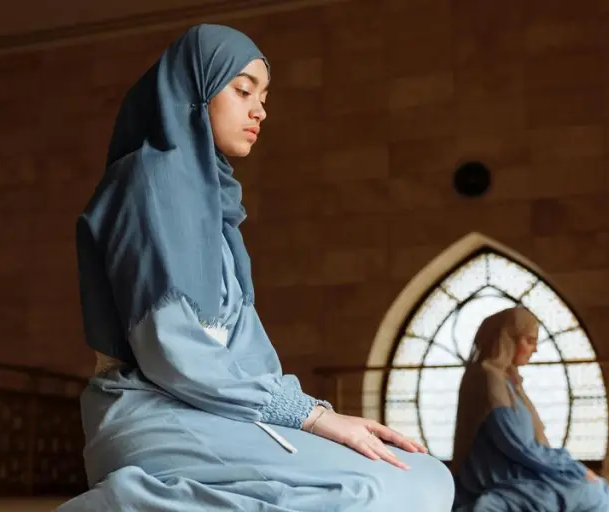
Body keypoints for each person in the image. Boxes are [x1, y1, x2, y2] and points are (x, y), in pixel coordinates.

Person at [57, 24, 454, 511]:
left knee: (428, 478)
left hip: (217, 412)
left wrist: (310, 414)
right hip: (152, 412)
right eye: (242, 90)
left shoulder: (215, 208)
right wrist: (312, 418)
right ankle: (127, 502)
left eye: (264, 95)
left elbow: (249, 351)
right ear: (196, 91)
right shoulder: (146, 180)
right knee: (377, 492)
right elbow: (169, 351)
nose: (260, 109)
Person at [449, 307, 609, 511]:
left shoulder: (507, 381)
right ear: (508, 339)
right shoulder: (488, 378)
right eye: (529, 341)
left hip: (520, 471)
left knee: (598, 488)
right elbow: (519, 446)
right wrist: (575, 468)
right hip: (502, 478)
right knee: (594, 492)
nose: (534, 349)